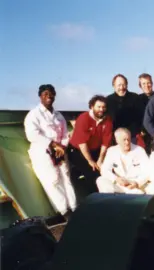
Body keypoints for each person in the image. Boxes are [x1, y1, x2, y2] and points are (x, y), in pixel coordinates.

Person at [24, 84, 77, 217]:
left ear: (54, 95)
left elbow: (65, 135)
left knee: (66, 179)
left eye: (51, 93)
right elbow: (32, 135)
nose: (49, 96)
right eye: (45, 94)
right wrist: (54, 145)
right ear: (40, 96)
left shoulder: (59, 116)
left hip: (60, 152)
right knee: (53, 181)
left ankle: (75, 208)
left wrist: (62, 147)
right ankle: (64, 212)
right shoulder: (33, 115)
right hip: (43, 153)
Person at [68, 95, 113, 195]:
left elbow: (105, 142)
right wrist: (90, 161)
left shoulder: (108, 120)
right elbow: (82, 144)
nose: (101, 109)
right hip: (77, 150)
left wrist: (100, 159)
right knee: (91, 172)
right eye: (98, 107)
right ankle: (93, 197)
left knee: (105, 169)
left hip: (95, 150)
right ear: (92, 107)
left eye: (104, 107)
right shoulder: (83, 118)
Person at [96, 128, 150, 194]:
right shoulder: (111, 151)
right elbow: (104, 170)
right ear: (117, 140)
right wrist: (116, 179)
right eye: (124, 140)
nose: (127, 142)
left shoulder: (139, 150)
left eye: (128, 139)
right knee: (100, 180)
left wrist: (137, 183)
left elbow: (148, 171)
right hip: (118, 183)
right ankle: (109, 202)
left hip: (134, 185)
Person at [106, 74, 142, 144]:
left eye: (124, 84)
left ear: (127, 85)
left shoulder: (135, 97)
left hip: (133, 136)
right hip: (115, 137)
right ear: (114, 86)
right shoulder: (108, 100)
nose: (121, 87)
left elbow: (142, 116)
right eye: (119, 85)